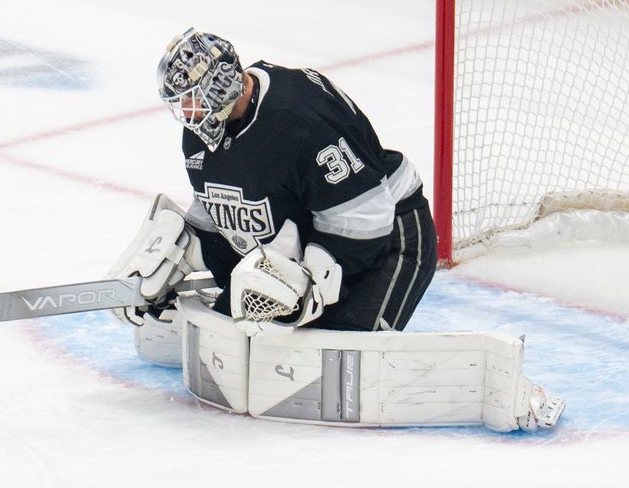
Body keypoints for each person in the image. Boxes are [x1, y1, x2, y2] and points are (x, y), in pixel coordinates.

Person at [112, 28, 437, 358]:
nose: (187, 112)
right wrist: (181, 251)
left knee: (332, 360)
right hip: (313, 240)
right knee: (234, 342)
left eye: (192, 99)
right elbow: (227, 199)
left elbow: (365, 217)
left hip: (389, 238)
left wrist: (306, 283)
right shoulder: (203, 131)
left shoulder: (301, 119)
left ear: (220, 86)